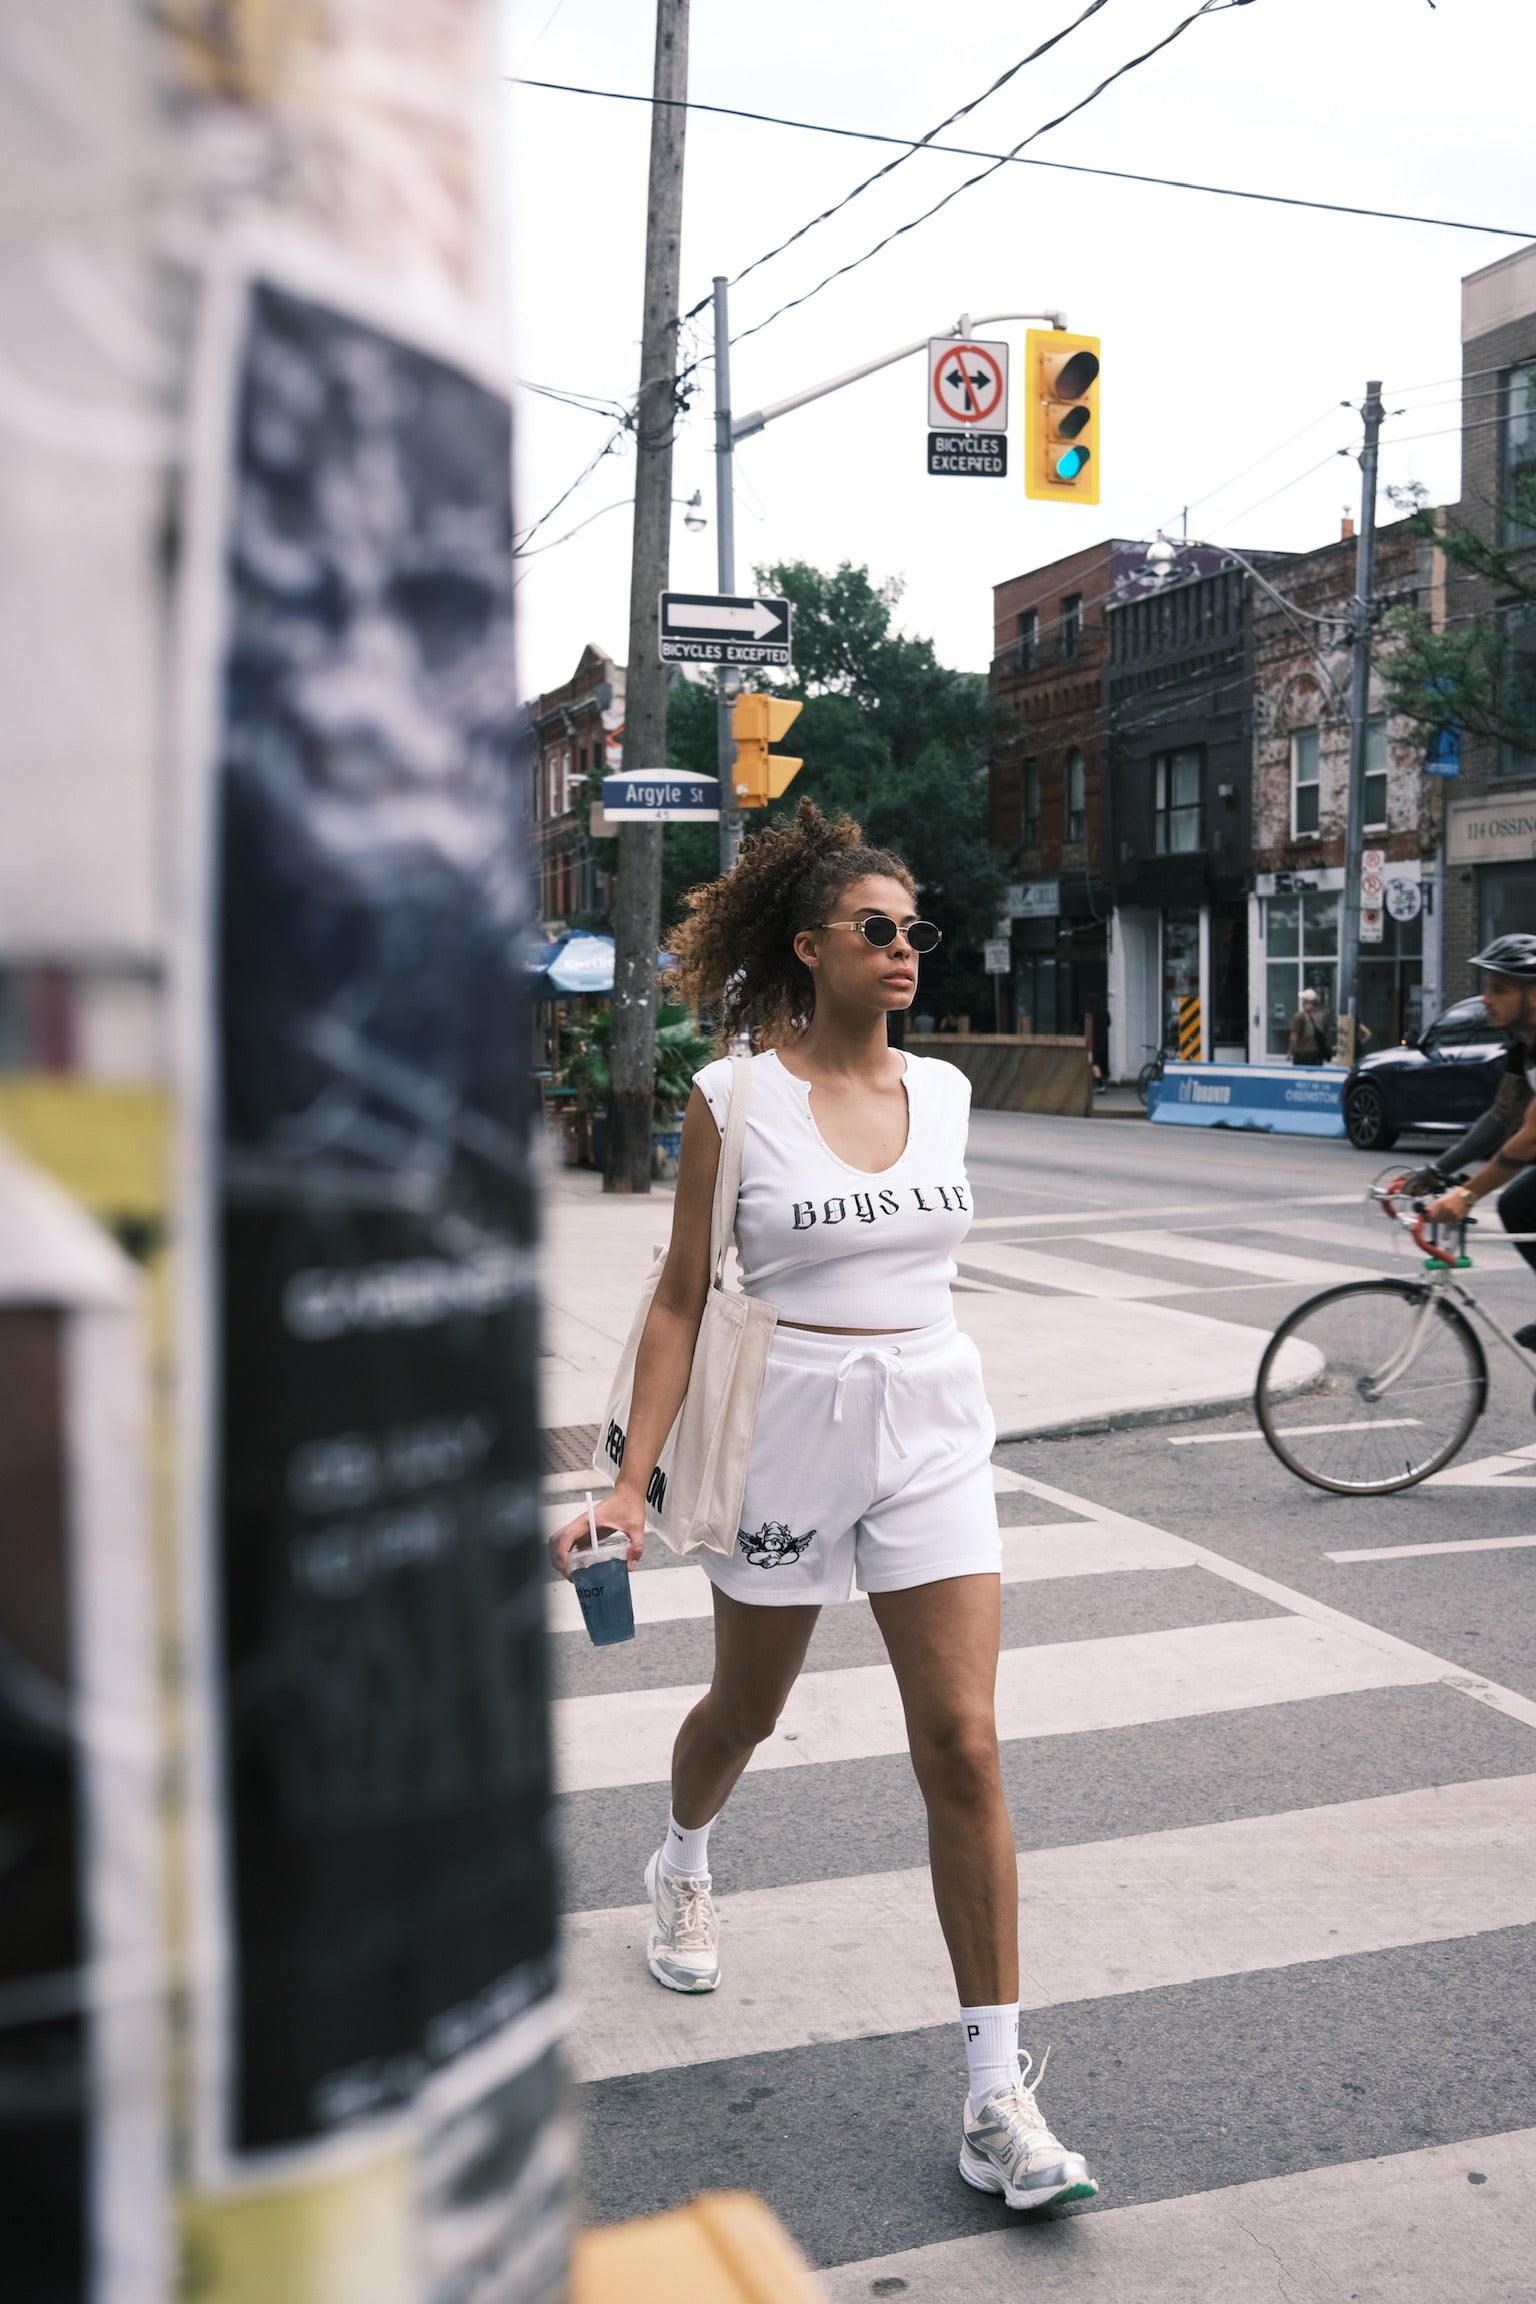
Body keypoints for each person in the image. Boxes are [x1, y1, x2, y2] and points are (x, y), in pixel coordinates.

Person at [551, 800, 1098, 2215]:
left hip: (930, 1424)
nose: (906, 947)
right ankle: (681, 1859)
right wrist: (624, 1478)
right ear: (811, 947)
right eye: (878, 929)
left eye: (918, 929)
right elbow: (680, 1299)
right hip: (790, 1427)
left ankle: (996, 2096)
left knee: (966, 1745)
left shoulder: (953, 1093)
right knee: (745, 1709)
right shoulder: (734, 1100)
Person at [1421, 935, 1536, 1346]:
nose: (1485, 998)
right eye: (1487, 985)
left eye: (1499, 989)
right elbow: (1502, 1117)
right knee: (1519, 1204)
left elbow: (1532, 1137)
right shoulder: (1524, 1045)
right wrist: (1434, 1171)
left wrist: (1467, 1196)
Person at [1287, 987, 1330, 1066]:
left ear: (1305, 1001)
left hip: (1301, 1054)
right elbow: (1325, 1033)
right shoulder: (1322, 1016)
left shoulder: (1299, 1016)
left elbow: (1294, 1037)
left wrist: (1290, 1052)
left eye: (1303, 1000)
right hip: (1317, 1054)